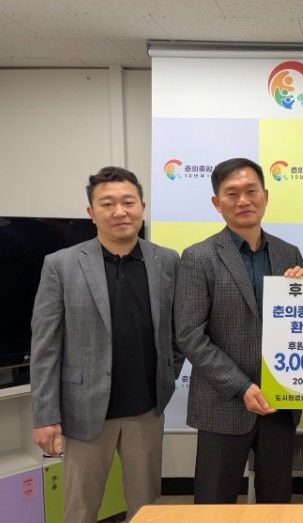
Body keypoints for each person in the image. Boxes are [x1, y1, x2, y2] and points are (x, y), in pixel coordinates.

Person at [30, 166, 183, 522]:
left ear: (142, 207)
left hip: (146, 409)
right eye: (107, 203)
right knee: (80, 510)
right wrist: (45, 416)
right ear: (91, 212)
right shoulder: (61, 265)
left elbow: (177, 333)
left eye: (128, 202)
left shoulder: (166, 261)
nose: (119, 211)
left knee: (146, 509)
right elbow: (45, 347)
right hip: (83, 411)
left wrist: (167, 373)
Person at [175, 157, 303, 504]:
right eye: (231, 193)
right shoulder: (198, 257)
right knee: (213, 505)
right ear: (217, 203)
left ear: (265, 196)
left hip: (280, 403)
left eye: (251, 191)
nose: (243, 200)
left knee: (276, 504)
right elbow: (190, 335)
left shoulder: (289, 253)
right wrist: (241, 386)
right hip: (223, 403)